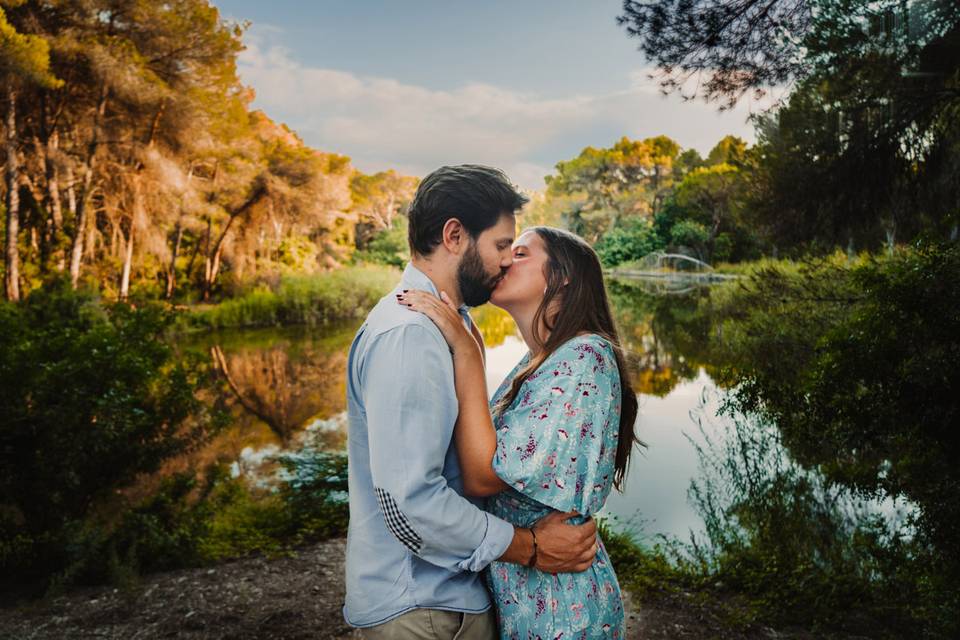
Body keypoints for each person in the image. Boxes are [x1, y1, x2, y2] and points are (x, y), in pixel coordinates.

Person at [344, 165, 600, 639]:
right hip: (423, 608)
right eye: (503, 245)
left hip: (439, 602)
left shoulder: (446, 327)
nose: (506, 260)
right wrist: (530, 547)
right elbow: (411, 501)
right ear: (455, 235)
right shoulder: (410, 335)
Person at [398, 225, 642, 639]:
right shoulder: (539, 361)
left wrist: (468, 356)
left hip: (562, 609)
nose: (507, 259)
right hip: (529, 595)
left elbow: (483, 475)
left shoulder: (584, 356)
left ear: (563, 276)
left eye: (523, 253)